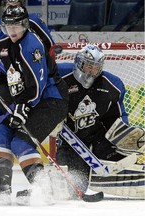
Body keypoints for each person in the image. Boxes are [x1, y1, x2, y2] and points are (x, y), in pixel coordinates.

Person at [0, 5, 68, 204]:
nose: (12, 31)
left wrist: (23, 106)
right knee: (1, 133)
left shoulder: (32, 46)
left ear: (25, 25)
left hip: (51, 100)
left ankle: (44, 189)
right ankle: (1, 186)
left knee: (21, 141)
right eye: (8, 27)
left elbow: (36, 85)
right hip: (30, 100)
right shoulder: (3, 37)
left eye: (16, 26)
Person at [0, 0, 57, 173]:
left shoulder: (34, 22)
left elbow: (49, 49)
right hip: (9, 77)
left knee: (35, 109)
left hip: (32, 77)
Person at [55, 44, 144, 198]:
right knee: (76, 188)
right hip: (71, 141)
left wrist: (124, 135)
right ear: (78, 63)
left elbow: (117, 117)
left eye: (96, 68)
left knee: (121, 162)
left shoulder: (112, 85)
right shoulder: (60, 78)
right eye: (88, 66)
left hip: (99, 137)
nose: (92, 72)